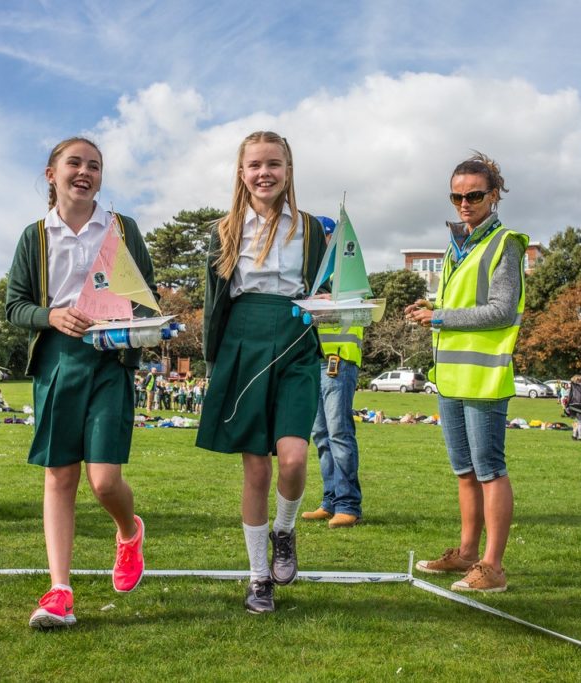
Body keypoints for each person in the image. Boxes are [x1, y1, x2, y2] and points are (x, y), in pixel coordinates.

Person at [6, 136, 150, 629]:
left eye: (94, 165)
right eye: (75, 163)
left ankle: (129, 532)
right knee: (60, 476)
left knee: (104, 481)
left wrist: (127, 323)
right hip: (57, 362)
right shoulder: (35, 236)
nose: (85, 172)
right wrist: (51, 315)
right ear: (52, 174)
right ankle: (59, 591)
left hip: (110, 361)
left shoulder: (123, 228)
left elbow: (146, 297)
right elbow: (15, 306)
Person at [196, 131, 328, 614]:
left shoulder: (312, 228)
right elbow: (214, 301)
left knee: (293, 458)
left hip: (295, 339)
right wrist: (214, 362)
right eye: (254, 165)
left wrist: (327, 299)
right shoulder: (224, 229)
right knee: (256, 467)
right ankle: (257, 578)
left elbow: (325, 284)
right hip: (243, 343)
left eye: (273, 163)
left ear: (288, 171)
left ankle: (285, 531)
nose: (264, 173)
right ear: (241, 172)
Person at [406, 152, 526, 594]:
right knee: (464, 470)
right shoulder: (457, 246)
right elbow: (457, 305)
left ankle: (492, 567)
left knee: (490, 469)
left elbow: (501, 311)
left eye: (474, 195)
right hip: (451, 377)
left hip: (484, 379)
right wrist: (431, 307)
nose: (464, 204)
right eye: (456, 196)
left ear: (494, 196)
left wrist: (439, 316)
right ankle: (467, 553)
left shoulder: (505, 243)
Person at [303, 216, 363, 529]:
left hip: (339, 361)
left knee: (339, 434)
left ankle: (348, 504)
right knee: (321, 436)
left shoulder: (345, 275)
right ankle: (330, 501)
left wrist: (330, 300)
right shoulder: (313, 279)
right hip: (315, 362)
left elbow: (359, 306)